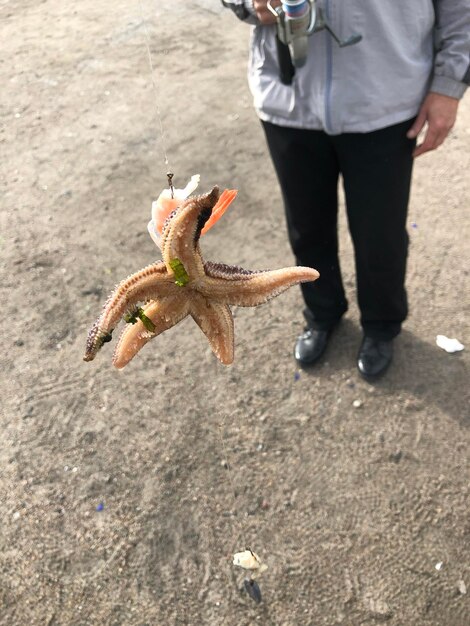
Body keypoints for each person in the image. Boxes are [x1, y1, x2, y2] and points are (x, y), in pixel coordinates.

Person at [222, 0, 469, 378]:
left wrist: (449, 85)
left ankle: (382, 324)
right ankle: (322, 312)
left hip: (386, 100)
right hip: (289, 100)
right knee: (307, 227)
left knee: (380, 234)